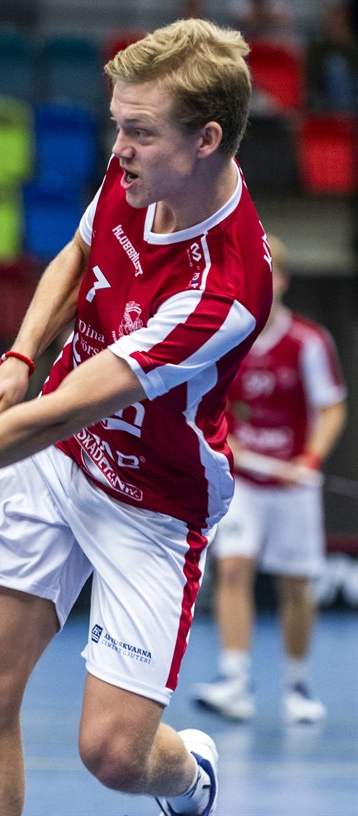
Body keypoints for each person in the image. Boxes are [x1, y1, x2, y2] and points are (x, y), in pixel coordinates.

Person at [0, 19, 272, 816]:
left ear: (206, 140)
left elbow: (51, 417)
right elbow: (80, 254)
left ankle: (191, 778)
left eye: (139, 131)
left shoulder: (222, 292)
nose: (119, 148)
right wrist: (20, 355)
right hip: (62, 461)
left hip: (153, 503)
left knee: (115, 755)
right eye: (117, 125)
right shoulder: (143, 175)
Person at [192, 236, 347, 725]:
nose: (266, 280)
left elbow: (332, 408)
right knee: (234, 568)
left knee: (296, 585)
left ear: (283, 280)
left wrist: (311, 457)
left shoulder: (309, 341)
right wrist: (224, 441)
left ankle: (298, 685)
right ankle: (234, 681)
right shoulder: (226, 336)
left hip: (294, 484)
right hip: (243, 482)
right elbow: (206, 400)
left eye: (273, 271)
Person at [305, 2, 358, 113]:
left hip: (353, 86)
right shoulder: (318, 46)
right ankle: (343, 113)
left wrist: (344, 42)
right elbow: (312, 70)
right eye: (333, 20)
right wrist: (333, 43)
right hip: (328, 90)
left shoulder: (352, 43)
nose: (336, 23)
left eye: (340, 20)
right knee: (336, 64)